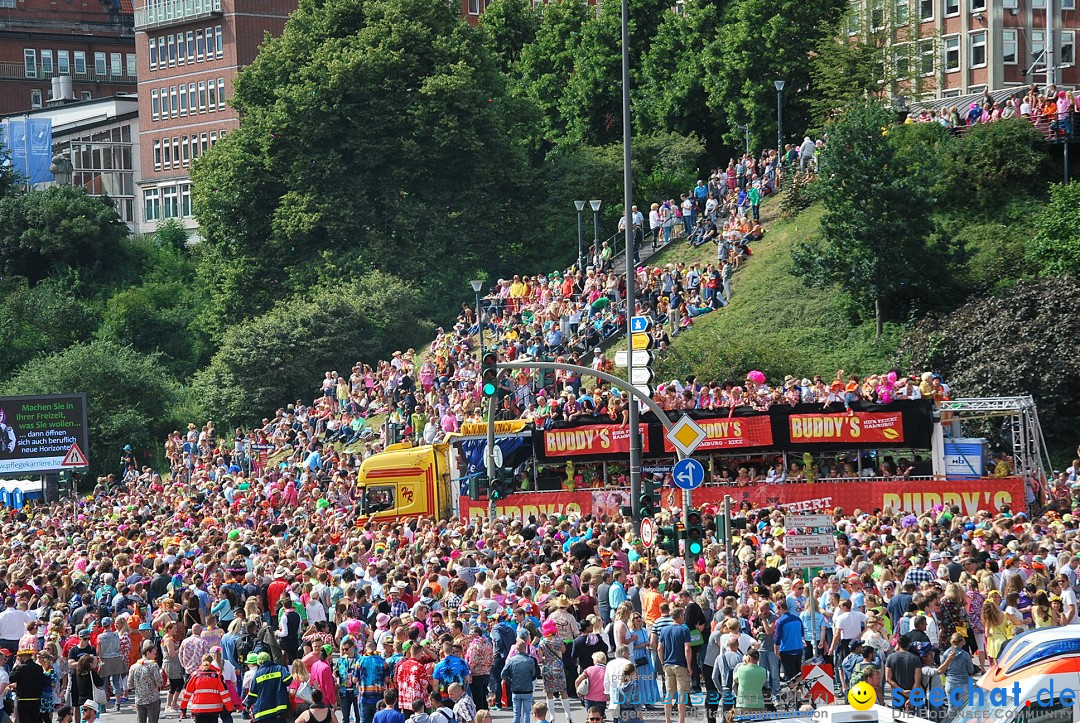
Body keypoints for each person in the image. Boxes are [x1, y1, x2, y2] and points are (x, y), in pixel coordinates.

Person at [657, 607, 691, 723]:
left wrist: (662, 662)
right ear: (680, 616)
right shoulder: (684, 630)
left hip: (668, 664)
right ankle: (681, 720)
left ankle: (668, 719)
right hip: (681, 665)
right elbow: (687, 649)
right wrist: (689, 666)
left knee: (669, 693)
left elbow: (659, 648)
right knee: (682, 694)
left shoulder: (664, 630)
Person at [179, 654, 234, 723]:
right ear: (212, 661)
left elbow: (187, 693)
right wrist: (229, 707)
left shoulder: (195, 675)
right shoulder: (217, 675)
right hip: (214, 708)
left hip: (198, 708)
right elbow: (224, 693)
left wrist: (183, 708)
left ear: (202, 661)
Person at [245, 652, 292, 723]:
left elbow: (253, 693)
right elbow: (288, 680)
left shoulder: (258, 674)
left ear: (259, 662)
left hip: (263, 711)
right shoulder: (280, 669)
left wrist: (248, 705)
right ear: (269, 659)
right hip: (279, 707)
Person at [500, 642, 538, 723]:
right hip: (527, 689)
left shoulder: (511, 660)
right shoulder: (530, 660)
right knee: (527, 713)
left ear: (516, 649)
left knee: (517, 714)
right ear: (525, 648)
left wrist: (510, 682)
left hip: (516, 689)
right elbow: (534, 674)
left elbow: (503, 674)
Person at [127, 641, 164, 723]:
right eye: (154, 654)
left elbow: (129, 685)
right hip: (152, 698)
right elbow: (159, 682)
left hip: (139, 699)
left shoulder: (133, 666)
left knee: (141, 720)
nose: (155, 656)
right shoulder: (153, 665)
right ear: (148, 653)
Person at [10, 647, 49, 723]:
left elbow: (11, 678)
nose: (19, 659)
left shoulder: (21, 668)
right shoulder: (38, 668)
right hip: (36, 700)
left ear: (24, 657)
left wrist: (14, 668)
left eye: (19, 657)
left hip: (23, 700)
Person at [884, 636, 922, 711]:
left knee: (896, 717)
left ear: (898, 644)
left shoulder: (890, 658)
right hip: (911, 693)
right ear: (908, 645)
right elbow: (917, 680)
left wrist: (902, 691)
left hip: (897, 694)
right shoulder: (915, 659)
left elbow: (888, 678)